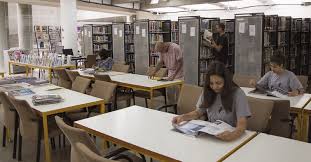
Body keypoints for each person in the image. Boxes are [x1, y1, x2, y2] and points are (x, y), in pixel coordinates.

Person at [172, 61, 251, 141]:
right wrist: (183, 117)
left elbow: (242, 124)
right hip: (212, 135)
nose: (215, 87)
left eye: (219, 83)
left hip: (231, 135)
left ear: (226, 81)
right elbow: (198, 112)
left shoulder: (238, 93)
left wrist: (233, 135)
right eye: (211, 83)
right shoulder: (208, 91)